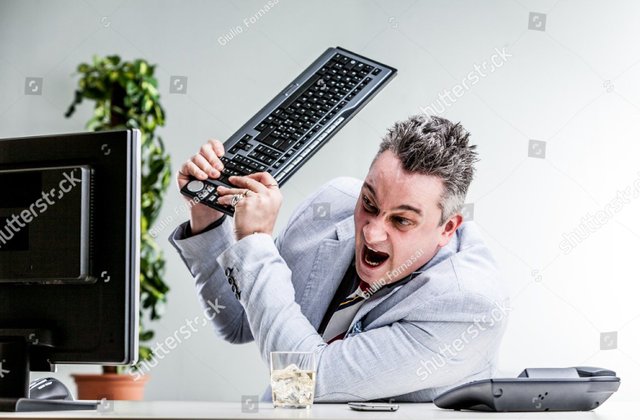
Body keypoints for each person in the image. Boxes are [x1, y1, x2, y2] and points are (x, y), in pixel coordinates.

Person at [169, 114, 509, 402]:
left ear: (447, 228)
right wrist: (209, 217)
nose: (372, 233)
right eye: (370, 204)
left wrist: (256, 244)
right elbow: (238, 323)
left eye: (401, 221)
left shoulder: (469, 304)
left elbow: (301, 381)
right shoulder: (332, 206)